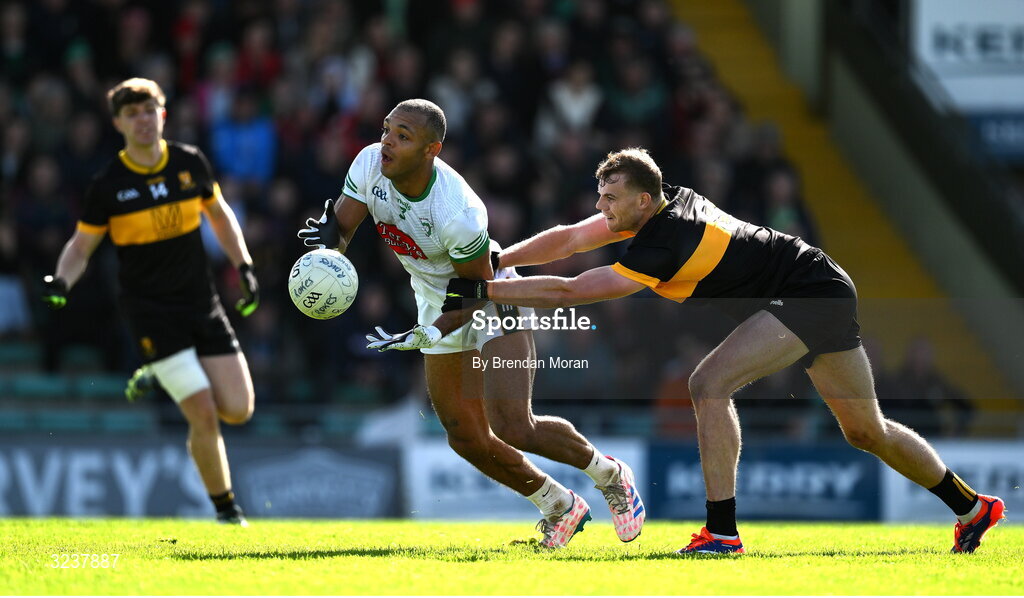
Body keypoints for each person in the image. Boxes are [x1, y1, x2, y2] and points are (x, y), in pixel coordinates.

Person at [444, 147, 1005, 554]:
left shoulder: (668, 241)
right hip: (819, 288)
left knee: (708, 385)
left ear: (642, 199)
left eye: (610, 199)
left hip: (807, 295)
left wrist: (480, 289)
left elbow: (574, 289)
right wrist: (495, 262)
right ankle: (973, 507)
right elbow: (568, 239)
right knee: (866, 430)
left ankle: (721, 532)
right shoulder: (658, 208)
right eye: (600, 197)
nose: (602, 209)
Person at [296, 99, 644, 548]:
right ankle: (558, 504)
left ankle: (611, 475)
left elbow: (476, 290)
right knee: (464, 436)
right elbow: (343, 226)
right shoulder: (368, 162)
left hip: (490, 296)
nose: (387, 141)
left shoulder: (456, 212)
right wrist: (331, 247)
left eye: (403, 136)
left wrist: (433, 330)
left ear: (431, 150)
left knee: (514, 425)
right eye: (387, 129)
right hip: (434, 299)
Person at [42, 78, 259, 526]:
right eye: (132, 113)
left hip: (202, 303)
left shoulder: (189, 163)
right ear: (118, 123)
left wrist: (244, 266)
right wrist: (61, 281)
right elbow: (81, 247)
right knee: (201, 410)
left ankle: (157, 373)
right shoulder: (108, 186)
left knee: (238, 410)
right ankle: (226, 510)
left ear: (163, 114)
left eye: (149, 110)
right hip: (151, 314)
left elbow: (219, 216)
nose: (142, 119)